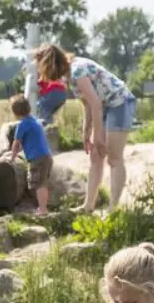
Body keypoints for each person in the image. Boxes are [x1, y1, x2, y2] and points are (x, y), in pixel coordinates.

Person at [34, 43, 137, 213]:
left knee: (113, 157)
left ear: (50, 64)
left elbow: (96, 104)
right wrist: (86, 133)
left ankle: (113, 209)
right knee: (96, 157)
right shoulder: (69, 75)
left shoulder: (77, 71)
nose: (41, 74)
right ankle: (88, 206)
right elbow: (88, 105)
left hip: (119, 103)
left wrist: (98, 138)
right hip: (104, 106)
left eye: (42, 68)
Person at [7, 94, 53, 215]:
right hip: (46, 156)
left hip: (37, 158)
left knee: (39, 184)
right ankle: (43, 207)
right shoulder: (34, 121)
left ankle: (42, 209)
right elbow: (27, 141)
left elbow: (16, 144)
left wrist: (12, 158)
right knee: (43, 182)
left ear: (15, 112)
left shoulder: (22, 125)